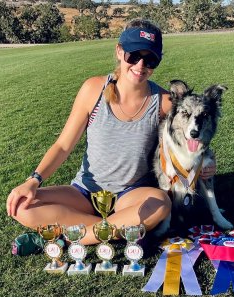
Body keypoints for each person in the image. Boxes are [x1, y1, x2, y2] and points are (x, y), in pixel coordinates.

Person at [6, 19, 216, 246]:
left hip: (132, 196)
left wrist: (205, 162)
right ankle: (113, 228)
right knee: (21, 206)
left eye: (150, 59)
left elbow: (192, 131)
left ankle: (69, 236)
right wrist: (34, 181)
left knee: (160, 205)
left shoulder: (164, 102)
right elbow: (63, 145)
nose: (140, 65)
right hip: (84, 193)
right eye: (134, 55)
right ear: (119, 51)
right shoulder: (93, 89)